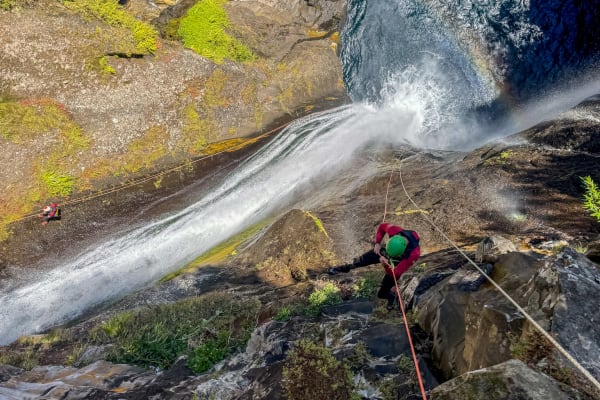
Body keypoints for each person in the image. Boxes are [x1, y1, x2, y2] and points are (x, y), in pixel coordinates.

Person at [328, 223, 420, 310]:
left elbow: (395, 273)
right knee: (358, 261)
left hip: (395, 264)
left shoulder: (413, 254)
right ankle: (341, 269)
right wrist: (377, 243)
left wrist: (385, 265)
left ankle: (392, 298)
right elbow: (382, 227)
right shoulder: (395, 230)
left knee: (382, 294)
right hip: (383, 251)